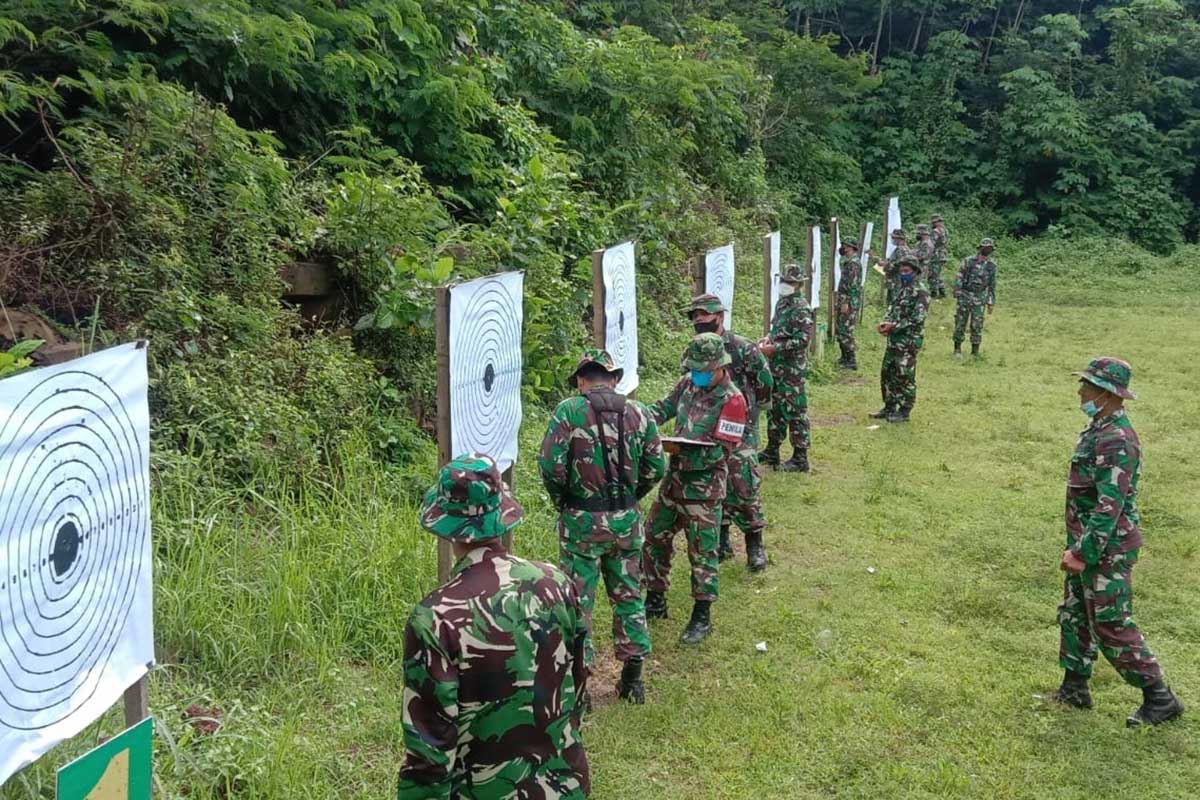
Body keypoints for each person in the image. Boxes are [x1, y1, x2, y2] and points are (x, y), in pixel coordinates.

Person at [398, 454, 591, 798]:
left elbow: (430, 753)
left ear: (446, 525)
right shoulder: (557, 583)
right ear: (501, 516)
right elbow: (576, 685)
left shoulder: (435, 617)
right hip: (562, 787)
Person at [1050, 358, 1184, 727]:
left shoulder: (1116, 439)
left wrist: (1083, 552)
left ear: (1107, 394)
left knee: (1110, 623)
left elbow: (1111, 505)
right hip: (1087, 541)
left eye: (1088, 386)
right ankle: (1074, 687)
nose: (1081, 392)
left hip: (1106, 547)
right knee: (1075, 614)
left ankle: (1160, 698)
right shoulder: (1099, 427)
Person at [538, 348, 666, 705]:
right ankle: (633, 679)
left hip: (581, 523)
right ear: (613, 378)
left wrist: (564, 501)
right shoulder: (639, 413)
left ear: (581, 380)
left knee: (579, 602)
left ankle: (581, 688)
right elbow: (657, 466)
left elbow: (550, 465)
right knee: (628, 594)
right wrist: (630, 497)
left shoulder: (569, 411)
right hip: (626, 521)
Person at [643, 333, 748, 644]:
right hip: (674, 482)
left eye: (703, 369)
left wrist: (684, 450)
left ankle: (702, 615)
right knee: (654, 536)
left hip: (704, 489)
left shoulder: (733, 400)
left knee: (702, 551)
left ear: (719, 367)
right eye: (694, 368)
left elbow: (724, 450)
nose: (697, 374)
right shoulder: (688, 384)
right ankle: (655, 597)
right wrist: (637, 420)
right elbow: (662, 409)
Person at [687, 294, 773, 571]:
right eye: (695, 318)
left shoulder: (742, 348)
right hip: (704, 430)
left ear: (720, 317)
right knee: (712, 485)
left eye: (705, 317)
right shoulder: (694, 351)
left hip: (739, 428)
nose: (700, 322)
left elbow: (764, 381)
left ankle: (754, 543)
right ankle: (721, 541)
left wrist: (749, 411)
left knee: (743, 483)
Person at [759, 266, 814, 472]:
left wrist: (776, 348)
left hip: (792, 368)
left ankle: (800, 458)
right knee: (775, 408)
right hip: (776, 366)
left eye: (790, 282)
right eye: (784, 281)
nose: (785, 285)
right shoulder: (782, 303)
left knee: (795, 411)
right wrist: (768, 339)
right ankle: (772, 450)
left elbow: (803, 340)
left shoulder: (801, 307)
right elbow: (777, 329)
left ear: (799, 284)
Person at [871, 255, 929, 423]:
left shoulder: (921, 292)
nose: (903, 274)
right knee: (888, 373)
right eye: (902, 271)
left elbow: (917, 318)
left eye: (907, 271)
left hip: (909, 341)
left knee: (904, 375)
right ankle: (889, 406)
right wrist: (886, 323)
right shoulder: (902, 289)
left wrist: (894, 326)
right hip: (894, 340)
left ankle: (904, 411)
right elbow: (892, 309)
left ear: (915, 272)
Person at [953, 238, 997, 358]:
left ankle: (975, 352)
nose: (987, 250)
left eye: (990, 248)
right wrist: (957, 291)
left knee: (977, 324)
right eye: (985, 247)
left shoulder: (991, 265)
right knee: (960, 322)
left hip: (980, 297)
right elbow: (959, 277)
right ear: (980, 248)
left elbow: (992, 284)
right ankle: (957, 349)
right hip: (965, 295)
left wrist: (991, 301)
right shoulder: (968, 261)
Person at [835, 238, 862, 370]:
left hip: (849, 302)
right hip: (846, 300)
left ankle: (850, 360)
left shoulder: (853, 264)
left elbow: (851, 285)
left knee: (846, 330)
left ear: (851, 248)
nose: (843, 249)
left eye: (845, 246)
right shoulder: (849, 262)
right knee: (841, 328)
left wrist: (845, 302)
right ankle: (844, 357)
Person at [879, 228, 916, 305]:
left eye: (894, 238)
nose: (893, 239)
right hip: (896, 280)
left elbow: (900, 265)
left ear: (899, 239)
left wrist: (886, 265)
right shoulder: (903, 249)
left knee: (894, 302)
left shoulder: (901, 250)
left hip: (897, 280)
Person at [930, 214, 950, 298]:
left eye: (934, 222)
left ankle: (934, 293)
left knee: (933, 275)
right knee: (937, 274)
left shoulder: (936, 231)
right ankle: (942, 292)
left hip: (936, 256)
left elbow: (931, 244)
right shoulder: (945, 230)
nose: (933, 224)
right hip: (943, 255)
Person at [913, 224, 935, 291]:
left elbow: (922, 256)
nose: (916, 235)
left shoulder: (927, 244)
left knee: (920, 284)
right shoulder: (920, 243)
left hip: (922, 267)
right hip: (917, 266)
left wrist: (911, 257)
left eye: (918, 233)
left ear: (922, 234)